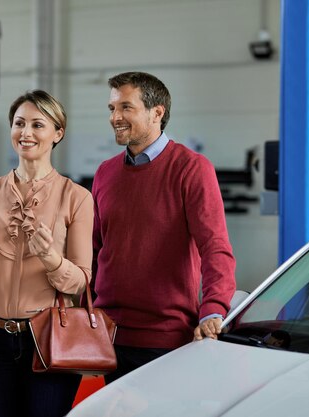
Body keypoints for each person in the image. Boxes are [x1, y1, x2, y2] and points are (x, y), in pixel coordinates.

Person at [0, 90, 94, 417]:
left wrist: (51, 259)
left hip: (49, 338)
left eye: (37, 125)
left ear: (58, 133)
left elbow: (80, 281)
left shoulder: (77, 198)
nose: (25, 133)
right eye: (19, 124)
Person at [91, 71, 237, 384]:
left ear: (157, 112)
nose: (115, 117)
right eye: (112, 108)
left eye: (126, 107)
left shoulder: (192, 168)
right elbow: (94, 250)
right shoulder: (105, 173)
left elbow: (215, 247)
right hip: (109, 336)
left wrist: (213, 308)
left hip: (166, 341)